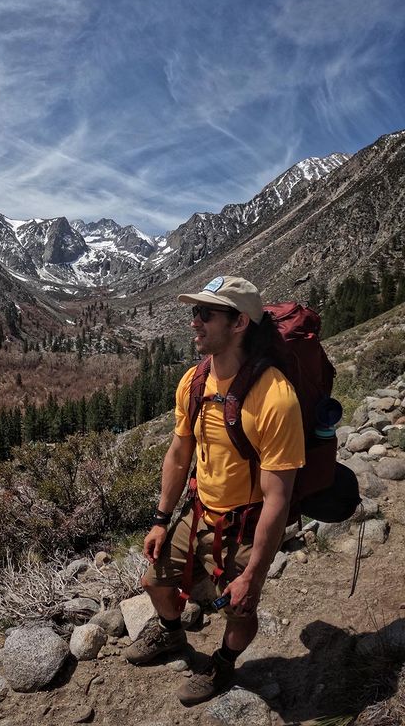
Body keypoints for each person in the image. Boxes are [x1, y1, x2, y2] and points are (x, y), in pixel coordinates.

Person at [124, 275, 305, 705]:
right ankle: (171, 635)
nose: (194, 322)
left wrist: (254, 572)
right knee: (154, 582)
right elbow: (179, 451)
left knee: (241, 607)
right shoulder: (194, 381)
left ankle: (222, 664)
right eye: (194, 312)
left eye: (205, 313)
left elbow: (278, 497)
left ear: (239, 322)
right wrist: (161, 519)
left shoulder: (276, 398)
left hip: (246, 522)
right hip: (199, 509)